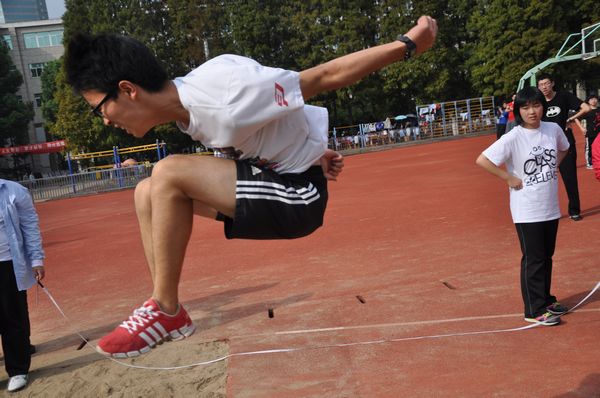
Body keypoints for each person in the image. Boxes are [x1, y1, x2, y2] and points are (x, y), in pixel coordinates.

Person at [64, 17, 438, 358]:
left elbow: (322, 77)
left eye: (99, 109)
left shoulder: (226, 93)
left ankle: (164, 309)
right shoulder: (191, 108)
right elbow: (270, 123)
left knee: (167, 173)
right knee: (146, 191)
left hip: (299, 198)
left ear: (127, 90)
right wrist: (314, 151)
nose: (106, 123)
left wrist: (406, 44)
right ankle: (163, 307)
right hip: (282, 180)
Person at [476, 87, 570, 326]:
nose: (532, 111)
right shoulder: (513, 137)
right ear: (518, 110)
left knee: (546, 256)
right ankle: (534, 309)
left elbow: (564, 148)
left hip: (549, 204)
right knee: (534, 259)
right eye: (526, 107)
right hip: (527, 208)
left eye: (536, 105)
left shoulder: (553, 129)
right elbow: (483, 160)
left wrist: (552, 167)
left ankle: (546, 300)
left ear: (543, 107)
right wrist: (508, 178)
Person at [0, 179, 45, 392]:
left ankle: (18, 369)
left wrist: (36, 260)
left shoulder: (14, 191)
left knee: (12, 317)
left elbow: (30, 226)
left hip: (7, 264)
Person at [537, 73, 591, 221]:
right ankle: (545, 212)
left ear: (552, 83)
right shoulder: (538, 102)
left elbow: (585, 108)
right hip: (545, 145)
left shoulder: (564, 96)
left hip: (565, 144)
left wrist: (571, 119)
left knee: (570, 179)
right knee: (543, 180)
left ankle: (574, 210)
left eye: (546, 84)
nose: (544, 87)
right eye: (541, 85)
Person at [581, 94, 599, 169]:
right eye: (591, 99)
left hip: (599, 133)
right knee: (589, 148)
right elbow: (577, 118)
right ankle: (589, 163)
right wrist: (582, 128)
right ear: (588, 101)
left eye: (595, 99)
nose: (593, 101)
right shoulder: (586, 111)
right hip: (590, 133)